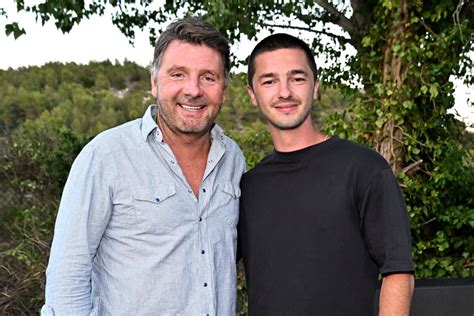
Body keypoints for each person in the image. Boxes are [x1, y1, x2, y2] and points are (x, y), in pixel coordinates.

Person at [41, 17, 245, 316]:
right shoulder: (106, 156)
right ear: (154, 82)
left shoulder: (233, 159)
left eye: (208, 77)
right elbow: (67, 275)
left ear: (223, 89)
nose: (193, 89)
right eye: (178, 74)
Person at [238, 33, 414, 315]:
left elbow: (398, 271)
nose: (284, 92)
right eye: (269, 81)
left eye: (297, 78)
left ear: (316, 87)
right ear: (252, 95)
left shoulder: (365, 169)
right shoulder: (248, 187)